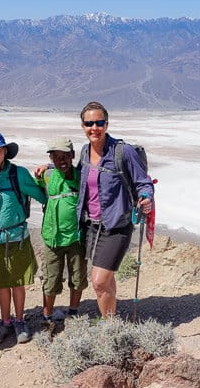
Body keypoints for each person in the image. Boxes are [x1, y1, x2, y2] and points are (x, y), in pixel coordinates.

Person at [77, 102, 154, 319]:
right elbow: (80, 177)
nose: (94, 127)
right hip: (92, 225)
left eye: (99, 122)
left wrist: (146, 197)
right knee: (107, 280)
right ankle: (111, 321)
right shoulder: (84, 151)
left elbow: (143, 182)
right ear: (82, 126)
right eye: (89, 123)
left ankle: (109, 327)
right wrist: (51, 167)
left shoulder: (123, 151)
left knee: (99, 281)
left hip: (117, 224)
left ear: (107, 124)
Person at [0, 132, 46, 344]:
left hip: (17, 237)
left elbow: (42, 195)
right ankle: (5, 321)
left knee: (17, 282)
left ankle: (20, 320)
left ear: (5, 151)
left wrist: (47, 172)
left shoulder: (18, 174)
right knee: (1, 283)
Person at [36, 137, 87, 324]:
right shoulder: (47, 176)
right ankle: (47, 317)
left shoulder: (81, 177)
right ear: (51, 159)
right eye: (56, 157)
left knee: (78, 277)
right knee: (51, 279)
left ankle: (73, 313)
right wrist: (46, 167)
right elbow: (39, 180)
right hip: (52, 238)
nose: (62, 160)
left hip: (76, 238)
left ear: (73, 155)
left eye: (65, 156)